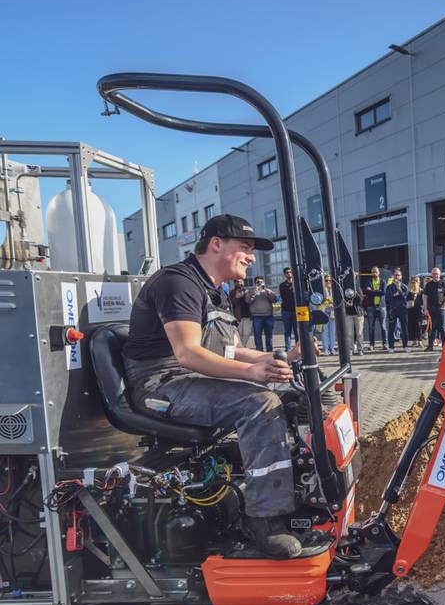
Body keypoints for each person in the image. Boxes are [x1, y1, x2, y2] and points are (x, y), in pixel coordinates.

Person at [122, 214, 310, 558]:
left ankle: (299, 490)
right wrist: (252, 374)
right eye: (246, 247)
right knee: (260, 404)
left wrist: (278, 357)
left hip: (189, 377)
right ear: (216, 244)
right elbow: (188, 353)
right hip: (160, 385)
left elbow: (230, 350)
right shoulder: (178, 283)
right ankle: (264, 520)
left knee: (301, 398)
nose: (252, 256)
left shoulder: (214, 291)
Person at [246, 275, 278, 352]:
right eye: (258, 282)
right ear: (255, 283)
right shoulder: (251, 291)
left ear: (264, 282)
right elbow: (247, 301)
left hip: (268, 316)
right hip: (257, 317)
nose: (260, 284)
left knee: (269, 337)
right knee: (257, 337)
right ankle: (259, 353)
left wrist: (269, 293)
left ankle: (269, 352)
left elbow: (275, 300)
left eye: (261, 282)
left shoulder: (268, 291)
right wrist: (254, 292)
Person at [423, 267, 445, 350]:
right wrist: (425, 308)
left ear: (439, 274)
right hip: (431, 309)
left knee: (442, 328)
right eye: (434, 274)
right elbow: (425, 297)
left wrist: (444, 305)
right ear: (432, 275)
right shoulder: (429, 284)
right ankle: (430, 346)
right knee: (432, 328)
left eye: (437, 274)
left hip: (441, 309)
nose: (435, 275)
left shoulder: (444, 284)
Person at [385, 267, 409, 351]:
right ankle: (391, 347)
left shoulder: (404, 287)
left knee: (404, 328)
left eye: (398, 275)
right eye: (395, 275)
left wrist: (399, 290)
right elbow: (388, 299)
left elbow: (405, 298)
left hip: (403, 310)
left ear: (401, 276)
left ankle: (405, 346)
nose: (397, 277)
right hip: (393, 310)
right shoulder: (389, 287)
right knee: (391, 328)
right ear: (393, 276)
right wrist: (388, 311)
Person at [362, 266, 387, 350]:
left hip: (381, 307)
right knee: (371, 327)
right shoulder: (368, 281)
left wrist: (372, 291)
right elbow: (366, 292)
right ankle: (371, 344)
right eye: (373, 272)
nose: (374, 273)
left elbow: (383, 292)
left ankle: (385, 343)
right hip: (370, 307)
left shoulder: (383, 281)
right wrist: (377, 291)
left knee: (383, 326)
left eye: (376, 272)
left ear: (379, 272)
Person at [278, 267, 297, 348]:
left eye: (290, 272)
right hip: (286, 311)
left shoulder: (297, 284)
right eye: (287, 272)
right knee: (287, 331)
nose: (289, 274)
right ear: (284, 274)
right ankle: (288, 348)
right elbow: (281, 297)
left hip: (296, 310)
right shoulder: (282, 285)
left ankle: (298, 347)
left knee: (297, 331)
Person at [230, 278, 252, 346]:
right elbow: (232, 303)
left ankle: (242, 345)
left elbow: (250, 301)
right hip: (238, 316)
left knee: (247, 333)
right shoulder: (232, 292)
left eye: (241, 282)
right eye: (238, 282)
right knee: (240, 333)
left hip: (247, 315)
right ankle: (242, 347)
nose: (239, 283)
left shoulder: (247, 291)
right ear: (235, 283)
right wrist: (236, 297)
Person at [344, 286, 364, 355]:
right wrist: (345, 303)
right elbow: (342, 298)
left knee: (359, 333)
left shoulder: (357, 287)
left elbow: (361, 299)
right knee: (350, 333)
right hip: (348, 314)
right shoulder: (344, 287)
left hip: (358, 313)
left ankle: (360, 349)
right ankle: (350, 349)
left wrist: (355, 294)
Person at [320, 275, 337, 355]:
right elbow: (321, 301)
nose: (328, 282)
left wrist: (330, 301)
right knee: (325, 331)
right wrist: (328, 300)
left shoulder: (335, 290)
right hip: (324, 310)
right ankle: (325, 349)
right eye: (326, 280)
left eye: (330, 280)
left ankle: (332, 348)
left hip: (333, 311)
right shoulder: (322, 290)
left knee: (332, 331)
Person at [407, 276, 425, 347]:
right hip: (410, 310)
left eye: (416, 281)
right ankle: (414, 340)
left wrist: (423, 308)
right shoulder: (408, 291)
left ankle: (420, 341)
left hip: (418, 310)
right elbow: (406, 300)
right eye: (413, 281)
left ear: (419, 282)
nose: (415, 282)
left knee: (418, 325)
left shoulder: (421, 291)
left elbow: (423, 301)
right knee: (412, 325)